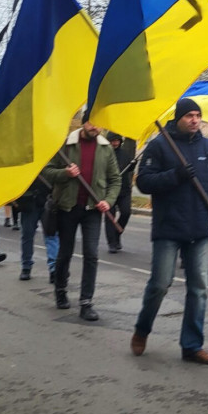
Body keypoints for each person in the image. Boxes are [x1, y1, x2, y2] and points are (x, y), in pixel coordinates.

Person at [131, 99, 208, 363]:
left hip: (199, 229)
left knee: (199, 287)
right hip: (168, 227)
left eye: (198, 115)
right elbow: (143, 181)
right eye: (189, 115)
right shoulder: (160, 145)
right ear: (178, 117)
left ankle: (191, 345)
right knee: (160, 284)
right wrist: (174, 176)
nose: (195, 120)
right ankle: (142, 329)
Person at [42, 120, 121, 321]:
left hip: (93, 210)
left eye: (100, 125)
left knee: (91, 254)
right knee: (65, 252)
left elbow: (114, 180)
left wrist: (108, 201)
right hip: (68, 207)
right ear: (84, 123)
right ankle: (60, 289)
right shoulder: (67, 144)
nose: (96, 127)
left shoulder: (105, 148)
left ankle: (86, 302)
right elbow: (47, 171)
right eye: (93, 123)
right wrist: (65, 173)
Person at [14, 177, 59, 282]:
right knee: (27, 236)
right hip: (29, 202)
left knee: (51, 234)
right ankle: (26, 267)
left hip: (48, 200)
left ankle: (54, 269)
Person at [105, 132, 136, 254]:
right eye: (113, 141)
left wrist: (133, 164)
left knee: (126, 212)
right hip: (109, 190)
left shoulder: (124, 154)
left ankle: (118, 233)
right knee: (110, 217)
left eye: (117, 141)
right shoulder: (105, 153)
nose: (115, 143)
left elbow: (129, 168)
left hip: (124, 190)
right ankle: (112, 243)